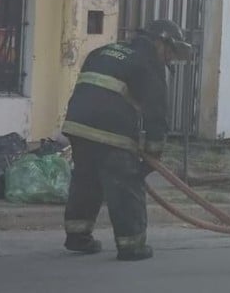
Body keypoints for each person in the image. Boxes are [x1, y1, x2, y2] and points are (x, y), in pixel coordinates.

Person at [61, 19, 193, 261]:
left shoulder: (102, 51)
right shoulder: (149, 61)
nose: (169, 60)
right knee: (126, 185)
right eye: (170, 53)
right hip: (111, 131)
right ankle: (131, 245)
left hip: (77, 125)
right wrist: (153, 153)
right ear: (161, 43)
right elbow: (156, 111)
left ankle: (78, 237)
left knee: (86, 181)